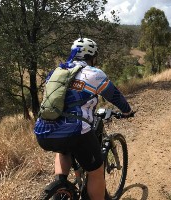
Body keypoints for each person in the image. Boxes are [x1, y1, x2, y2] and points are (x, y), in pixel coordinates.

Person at [34, 38, 133, 200]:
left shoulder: (57, 71)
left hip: (44, 131)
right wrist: (127, 111)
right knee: (96, 171)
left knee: (63, 151)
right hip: (75, 132)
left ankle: (61, 188)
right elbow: (115, 96)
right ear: (92, 56)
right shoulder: (94, 73)